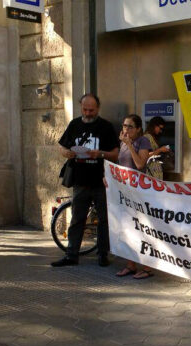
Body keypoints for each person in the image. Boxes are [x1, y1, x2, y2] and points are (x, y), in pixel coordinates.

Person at [52, 93, 118, 268]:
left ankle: (103, 254)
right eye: (85, 109)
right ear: (81, 107)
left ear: (98, 108)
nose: (88, 113)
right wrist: (65, 152)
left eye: (91, 110)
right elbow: (62, 145)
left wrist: (100, 154)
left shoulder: (106, 127)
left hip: (101, 181)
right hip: (80, 180)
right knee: (76, 219)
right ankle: (71, 254)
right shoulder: (75, 124)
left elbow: (115, 153)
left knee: (104, 219)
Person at [115, 114, 155, 279]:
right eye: (124, 125)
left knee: (141, 230)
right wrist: (109, 176)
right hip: (125, 191)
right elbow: (121, 164)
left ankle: (147, 267)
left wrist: (130, 145)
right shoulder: (123, 142)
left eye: (130, 126)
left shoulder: (143, 141)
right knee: (126, 229)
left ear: (138, 129)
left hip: (138, 193)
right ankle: (130, 264)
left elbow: (139, 164)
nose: (126, 129)